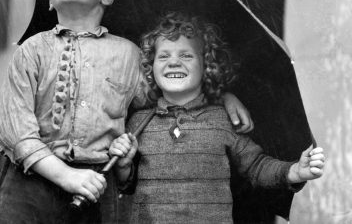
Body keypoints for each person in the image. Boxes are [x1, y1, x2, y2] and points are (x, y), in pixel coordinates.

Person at [0, 0, 253, 224]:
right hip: (31, 183)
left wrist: (221, 96)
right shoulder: (31, 51)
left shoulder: (130, 55)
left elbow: (166, 95)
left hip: (98, 182)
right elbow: (15, 131)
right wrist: (66, 175)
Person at [109, 12, 325, 224]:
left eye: (186, 55)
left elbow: (256, 167)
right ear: (150, 68)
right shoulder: (139, 123)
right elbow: (127, 186)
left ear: (207, 67)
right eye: (163, 56)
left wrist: (294, 171)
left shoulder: (223, 119)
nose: (173, 62)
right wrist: (123, 167)